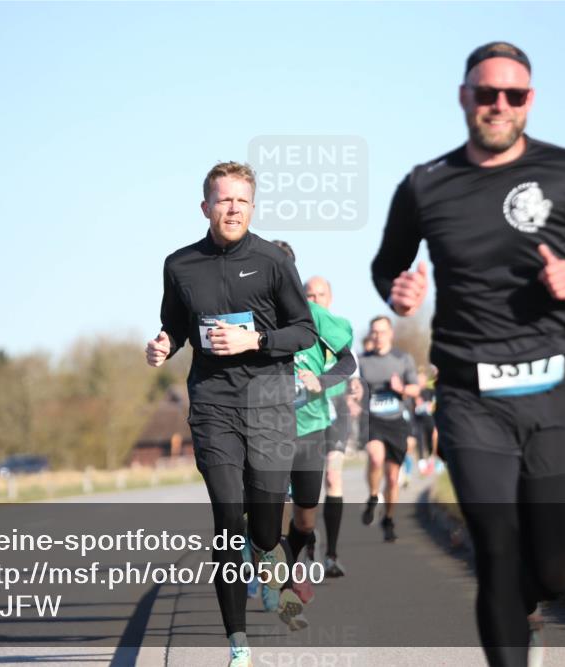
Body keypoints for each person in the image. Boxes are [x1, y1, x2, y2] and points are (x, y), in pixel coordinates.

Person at [371, 41, 565, 667]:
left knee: (550, 572)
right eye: (486, 93)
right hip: (469, 397)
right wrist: (397, 292)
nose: (498, 105)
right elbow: (387, 265)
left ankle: (531, 606)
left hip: (556, 393)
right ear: (465, 97)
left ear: (530, 101)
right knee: (496, 549)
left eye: (512, 95)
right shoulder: (425, 185)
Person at [146, 161, 317, 667]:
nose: (233, 208)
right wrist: (163, 344)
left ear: (253, 206)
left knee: (264, 530)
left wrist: (256, 339)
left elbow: (304, 331)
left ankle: (270, 561)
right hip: (213, 405)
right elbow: (174, 327)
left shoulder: (271, 261)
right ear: (206, 207)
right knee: (227, 517)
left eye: (242, 200)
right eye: (224, 200)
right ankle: (238, 644)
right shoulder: (180, 266)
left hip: (268, 403)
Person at [269, 244, 355, 626]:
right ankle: (283, 588)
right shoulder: (253, 317)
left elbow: (349, 362)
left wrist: (321, 381)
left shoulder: (316, 317)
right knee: (267, 518)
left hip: (311, 428)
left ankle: (284, 570)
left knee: (305, 520)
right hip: (266, 432)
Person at [302, 275, 353, 577]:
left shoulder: (336, 326)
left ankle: (332, 555)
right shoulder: (299, 328)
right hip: (308, 413)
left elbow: (348, 366)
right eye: (308, 294)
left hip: (336, 410)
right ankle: (308, 539)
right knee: (306, 486)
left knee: (333, 477)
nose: (314, 300)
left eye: (320, 294)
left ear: (330, 298)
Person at [357, 316, 420, 542]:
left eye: (382, 332)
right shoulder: (363, 361)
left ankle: (389, 518)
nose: (378, 336)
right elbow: (355, 389)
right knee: (375, 458)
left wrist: (401, 387)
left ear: (390, 334)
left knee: (393, 478)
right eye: (374, 332)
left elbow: (415, 389)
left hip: (396, 422)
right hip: (374, 421)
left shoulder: (402, 359)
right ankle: (374, 497)